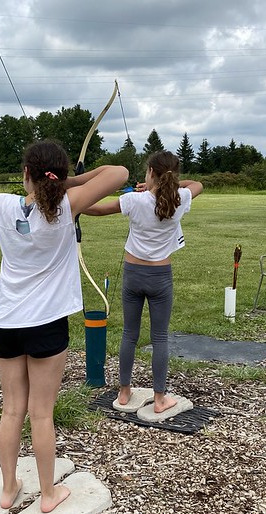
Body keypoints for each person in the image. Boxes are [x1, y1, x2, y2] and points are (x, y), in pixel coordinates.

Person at [0, 140, 128, 514]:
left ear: (25, 174)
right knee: (41, 414)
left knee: (11, 410)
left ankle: (8, 489)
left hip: (8, 323)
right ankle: (48, 495)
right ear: (59, 178)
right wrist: (68, 183)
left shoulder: (4, 205)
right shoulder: (68, 205)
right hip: (47, 325)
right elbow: (119, 173)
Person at [83, 150, 202, 415]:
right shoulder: (180, 198)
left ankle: (124, 392)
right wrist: (168, 185)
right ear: (173, 176)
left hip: (133, 273)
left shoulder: (134, 201)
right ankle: (160, 399)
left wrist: (74, 203)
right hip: (160, 276)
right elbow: (198, 186)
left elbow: (97, 209)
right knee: (159, 338)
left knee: (129, 334)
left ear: (150, 172)